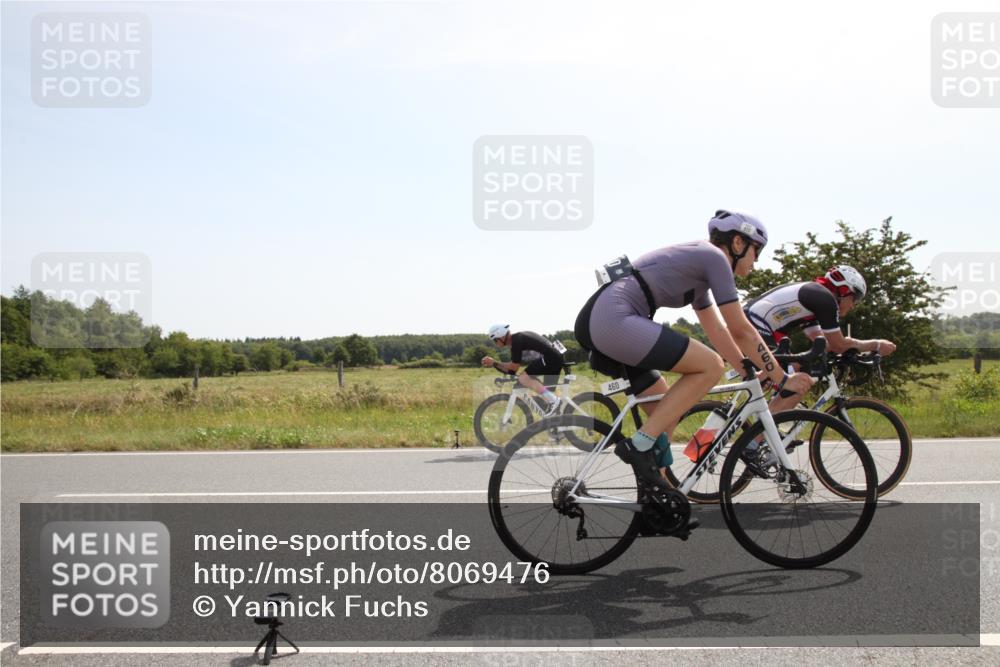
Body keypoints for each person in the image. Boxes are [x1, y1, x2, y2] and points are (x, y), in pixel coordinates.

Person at [574, 210, 815, 493]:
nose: (756, 261)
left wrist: (747, 368)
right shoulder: (714, 258)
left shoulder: (701, 270)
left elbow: (718, 330)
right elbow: (742, 329)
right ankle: (637, 446)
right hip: (612, 319)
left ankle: (658, 496)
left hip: (607, 319)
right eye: (756, 251)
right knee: (711, 365)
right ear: (738, 243)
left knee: (663, 411)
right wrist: (781, 379)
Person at [744, 265, 897, 415]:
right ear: (844, 290)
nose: (854, 305)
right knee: (799, 384)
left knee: (796, 367)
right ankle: (760, 437)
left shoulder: (815, 300)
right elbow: (838, 345)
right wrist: (876, 345)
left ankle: (764, 429)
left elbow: (825, 343)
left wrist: (854, 350)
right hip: (754, 326)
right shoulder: (824, 299)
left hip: (755, 325)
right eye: (855, 298)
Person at [481, 325, 565, 416]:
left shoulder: (516, 342)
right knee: (546, 396)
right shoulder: (518, 339)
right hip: (554, 357)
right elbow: (511, 372)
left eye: (495, 340)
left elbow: (513, 368)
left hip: (551, 357)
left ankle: (555, 401)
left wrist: (494, 363)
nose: (495, 343)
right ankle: (558, 423)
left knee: (523, 378)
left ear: (501, 336)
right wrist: (495, 365)